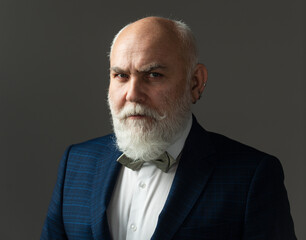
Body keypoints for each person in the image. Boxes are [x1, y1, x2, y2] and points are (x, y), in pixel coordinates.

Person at [41, 16, 296, 240]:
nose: (133, 94)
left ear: (195, 83)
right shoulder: (76, 162)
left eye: (153, 75)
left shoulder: (251, 177)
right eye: (121, 76)